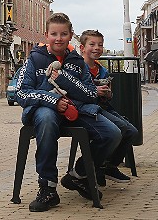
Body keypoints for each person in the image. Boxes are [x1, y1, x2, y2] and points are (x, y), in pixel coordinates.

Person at [17, 12, 122, 212]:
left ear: (70, 34)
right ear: (46, 35)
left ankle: (79, 175)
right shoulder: (34, 60)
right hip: (45, 110)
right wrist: (54, 101)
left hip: (78, 111)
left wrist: (65, 80)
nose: (59, 38)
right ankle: (47, 188)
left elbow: (91, 93)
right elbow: (21, 93)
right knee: (46, 121)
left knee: (113, 134)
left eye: (63, 34)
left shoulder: (78, 62)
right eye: (54, 34)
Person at [79, 30, 138, 185]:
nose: (97, 48)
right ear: (82, 48)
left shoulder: (102, 70)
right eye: (92, 44)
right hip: (88, 108)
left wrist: (108, 93)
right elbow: (75, 91)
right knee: (118, 130)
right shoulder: (77, 68)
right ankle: (90, 168)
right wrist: (94, 91)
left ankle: (109, 166)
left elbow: (109, 95)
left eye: (100, 45)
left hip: (102, 106)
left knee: (131, 130)